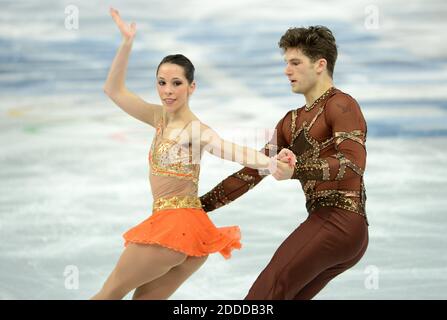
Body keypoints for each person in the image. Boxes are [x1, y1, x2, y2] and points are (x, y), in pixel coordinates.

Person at [90, 8, 290, 300]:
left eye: (176, 83)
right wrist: (126, 43)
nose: (167, 91)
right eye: (161, 82)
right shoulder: (158, 117)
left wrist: (270, 163)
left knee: (107, 296)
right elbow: (114, 90)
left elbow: (233, 151)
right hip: (189, 235)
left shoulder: (195, 130)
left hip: (173, 230)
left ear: (191, 86)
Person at [200, 26, 369, 300]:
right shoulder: (289, 122)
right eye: (286, 63)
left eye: (295, 63)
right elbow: (253, 172)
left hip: (341, 222)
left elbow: (353, 163)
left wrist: (296, 170)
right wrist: (200, 206)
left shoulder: (341, 105)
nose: (286, 71)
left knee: (263, 295)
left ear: (319, 65)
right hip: (328, 225)